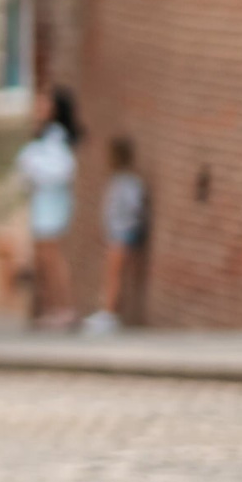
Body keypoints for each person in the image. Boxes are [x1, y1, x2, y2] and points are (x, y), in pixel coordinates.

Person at [15, 87, 81, 330]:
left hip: (53, 203)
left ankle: (65, 308)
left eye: (43, 105)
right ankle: (52, 308)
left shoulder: (57, 136)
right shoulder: (41, 135)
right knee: (43, 259)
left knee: (54, 259)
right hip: (41, 203)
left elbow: (63, 170)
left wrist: (34, 168)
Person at [87, 137, 149, 334]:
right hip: (116, 233)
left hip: (122, 233)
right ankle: (109, 313)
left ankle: (109, 314)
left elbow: (134, 207)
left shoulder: (128, 182)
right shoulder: (118, 180)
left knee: (113, 275)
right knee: (112, 273)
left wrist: (124, 227)